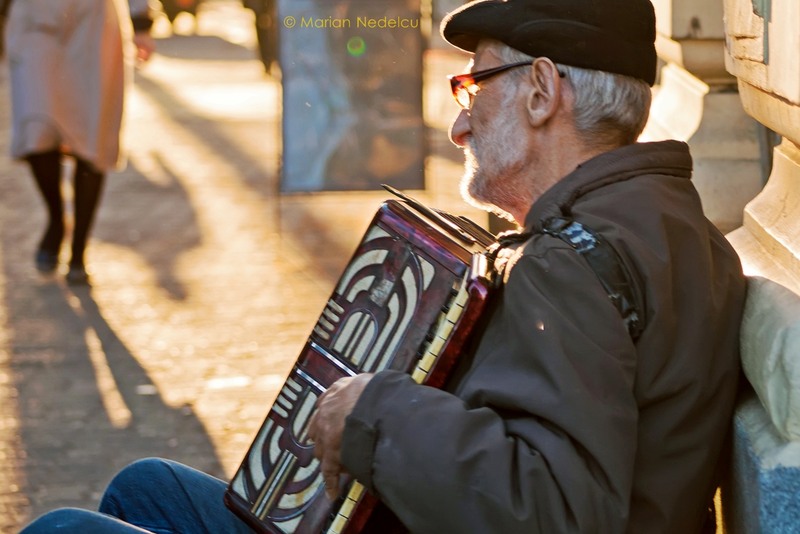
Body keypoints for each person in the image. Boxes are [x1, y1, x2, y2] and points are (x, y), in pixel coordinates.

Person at [19, 0, 747, 532]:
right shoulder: (670, 227)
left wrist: (374, 410)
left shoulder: (572, 262)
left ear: (541, 90)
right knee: (147, 487)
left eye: (475, 86)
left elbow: (555, 510)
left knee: (62, 532)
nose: (459, 122)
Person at [1, 0, 155, 285]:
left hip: (94, 19)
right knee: (36, 128)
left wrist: (141, 19)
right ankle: (56, 220)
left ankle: (79, 250)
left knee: (93, 132)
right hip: (33, 18)